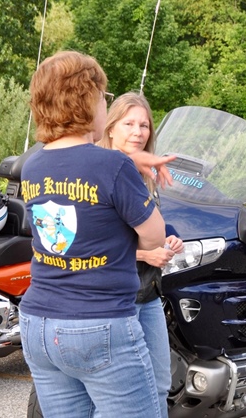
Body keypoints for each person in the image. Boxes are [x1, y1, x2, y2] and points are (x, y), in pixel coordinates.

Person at [20, 51, 170, 417]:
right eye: (104, 96)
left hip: (37, 324)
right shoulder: (113, 164)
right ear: (87, 100)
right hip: (98, 322)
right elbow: (155, 236)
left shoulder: (32, 165)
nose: (104, 103)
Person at [98, 92, 184, 418]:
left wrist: (169, 237)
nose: (138, 132)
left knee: (159, 384)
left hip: (148, 293)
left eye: (144, 125)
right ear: (110, 128)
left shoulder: (144, 175)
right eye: (129, 124)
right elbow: (95, 243)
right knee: (119, 392)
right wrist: (146, 255)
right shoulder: (101, 172)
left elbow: (147, 225)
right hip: (116, 297)